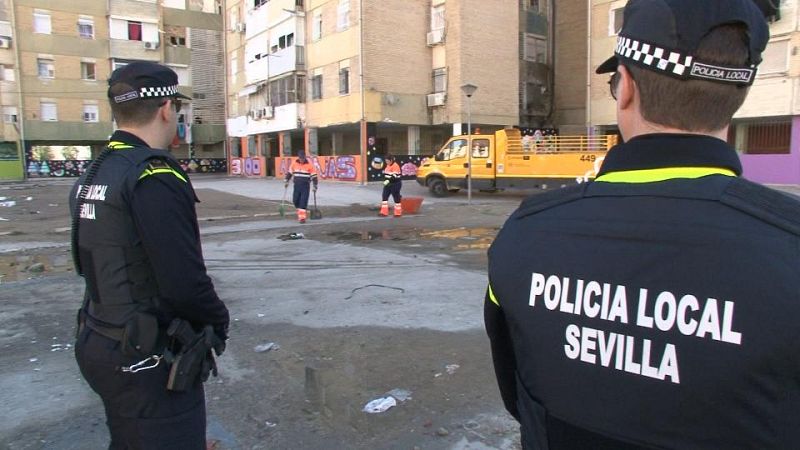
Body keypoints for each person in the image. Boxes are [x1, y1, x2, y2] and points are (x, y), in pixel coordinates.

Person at [485, 1, 800, 448]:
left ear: (627, 86)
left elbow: (518, 394)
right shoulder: (790, 243)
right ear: (738, 95)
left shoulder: (523, 234)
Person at [70, 61, 230, 449]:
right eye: (176, 108)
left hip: (100, 336)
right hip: (145, 353)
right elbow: (183, 282)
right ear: (165, 110)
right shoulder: (154, 175)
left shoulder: (96, 170)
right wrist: (218, 322)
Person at [285, 151, 318, 223]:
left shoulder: (309, 165)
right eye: (300, 158)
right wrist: (286, 180)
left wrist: (315, 185)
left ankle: (302, 218)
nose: (301, 159)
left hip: (305, 186)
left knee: (303, 201)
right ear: (298, 157)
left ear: (305, 157)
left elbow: (314, 176)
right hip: (296, 185)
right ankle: (300, 211)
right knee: (295, 200)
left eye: (303, 158)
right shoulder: (294, 163)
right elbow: (290, 172)